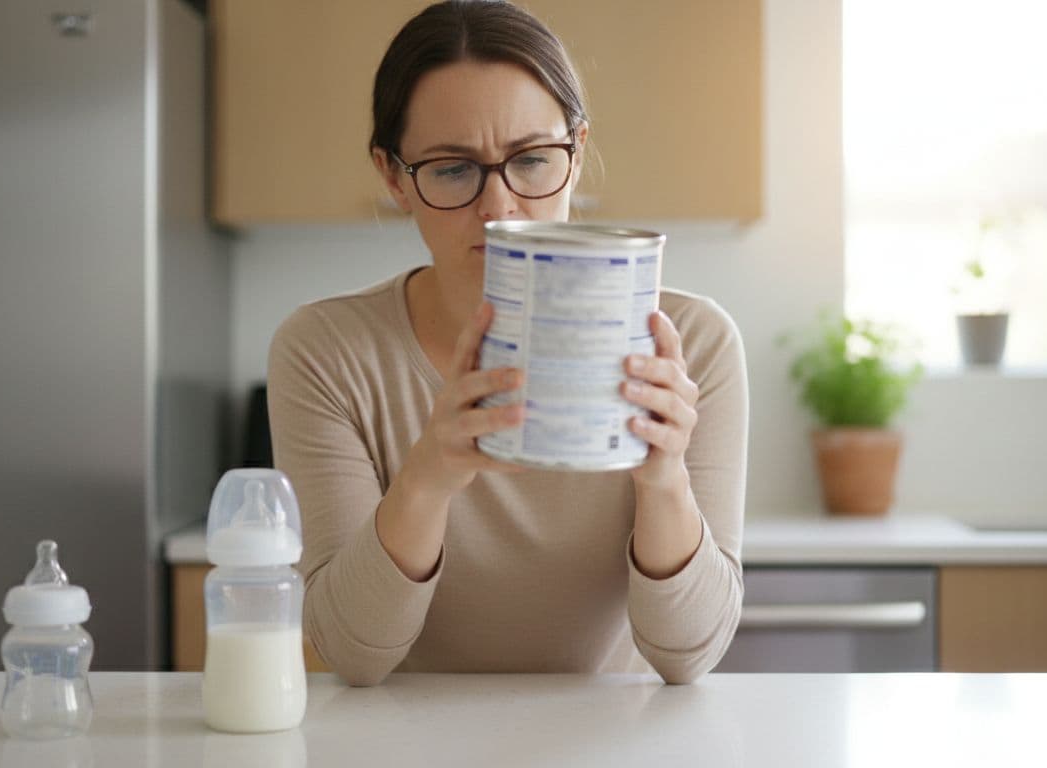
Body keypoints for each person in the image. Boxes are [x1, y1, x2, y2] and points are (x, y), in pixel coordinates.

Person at [267, 0, 747, 686]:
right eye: (452, 169)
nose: (500, 209)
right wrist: (429, 474)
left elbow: (688, 654)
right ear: (393, 176)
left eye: (531, 159)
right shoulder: (326, 351)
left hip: (617, 742)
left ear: (576, 154)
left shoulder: (690, 345)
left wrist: (663, 475)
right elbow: (353, 654)